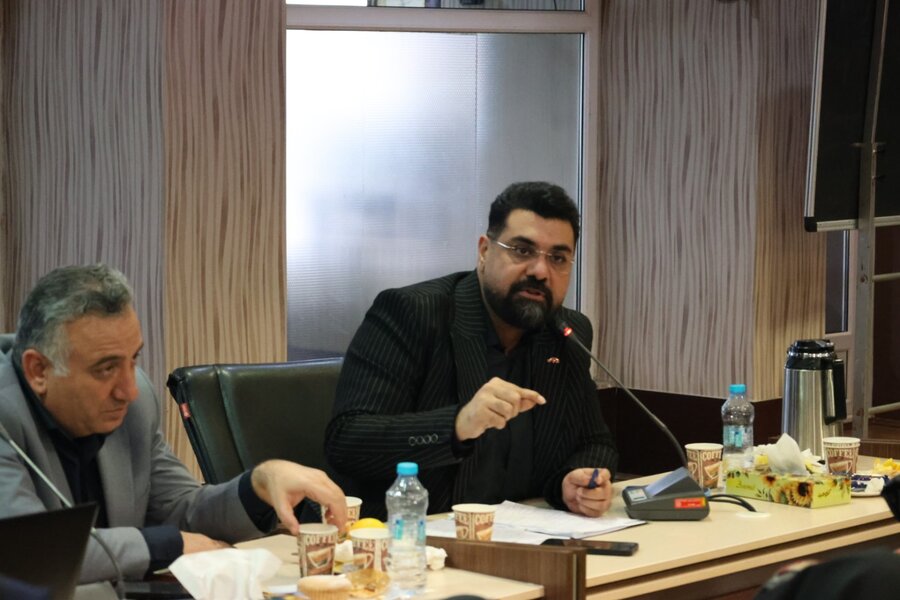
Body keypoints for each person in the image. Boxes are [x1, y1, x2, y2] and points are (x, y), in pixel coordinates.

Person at [0, 265, 347, 584]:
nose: (129, 390)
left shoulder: (134, 407)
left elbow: (181, 510)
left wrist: (258, 486)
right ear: (38, 370)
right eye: (106, 368)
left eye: (133, 359)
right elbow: (26, 552)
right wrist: (168, 545)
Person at [325, 181, 618, 518]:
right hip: (406, 535)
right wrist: (458, 425)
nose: (540, 271)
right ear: (484, 251)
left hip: (520, 534)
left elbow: (595, 443)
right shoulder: (413, 313)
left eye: (558, 258)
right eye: (522, 251)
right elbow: (347, 442)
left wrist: (572, 482)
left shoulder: (565, 333)